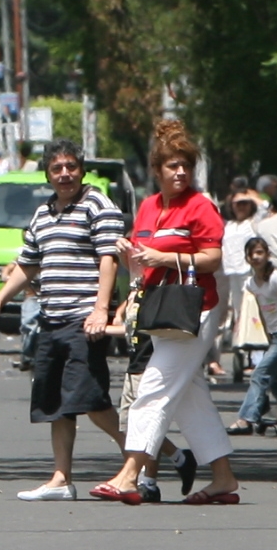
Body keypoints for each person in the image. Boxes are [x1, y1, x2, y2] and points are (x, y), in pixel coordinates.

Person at [94, 119, 239, 506]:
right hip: (159, 309)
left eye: (185, 166)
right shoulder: (148, 207)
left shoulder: (200, 206)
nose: (180, 172)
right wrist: (133, 259)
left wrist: (166, 255)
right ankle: (223, 478)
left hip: (195, 310)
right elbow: (143, 266)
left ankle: (129, 474)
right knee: (190, 398)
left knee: (153, 388)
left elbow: (211, 258)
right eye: (173, 166)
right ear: (157, 171)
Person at [0, 140, 127, 502]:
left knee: (90, 401)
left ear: (82, 169)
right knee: (58, 403)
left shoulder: (97, 205)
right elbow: (29, 264)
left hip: (84, 321)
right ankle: (62, 479)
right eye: (57, 168)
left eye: (71, 167)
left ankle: (149, 455)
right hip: (52, 320)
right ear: (47, 173)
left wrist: (100, 309)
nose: (65, 174)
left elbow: (109, 258)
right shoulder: (43, 213)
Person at [231, 236, 277, 436]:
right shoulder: (251, 284)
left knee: (260, 374)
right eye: (252, 254)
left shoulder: (276, 278)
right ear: (247, 258)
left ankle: (246, 418)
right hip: (275, 335)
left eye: (260, 253)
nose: (256, 257)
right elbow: (262, 310)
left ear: (267, 255)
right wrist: (266, 334)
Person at [220, 193, 262, 350]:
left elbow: (264, 206)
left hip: (248, 271)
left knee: (252, 308)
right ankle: (241, 342)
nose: (241, 207)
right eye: (237, 203)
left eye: (245, 203)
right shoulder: (229, 225)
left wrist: (250, 193)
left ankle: (255, 343)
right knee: (237, 309)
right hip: (231, 272)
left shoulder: (253, 223)